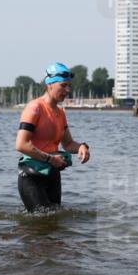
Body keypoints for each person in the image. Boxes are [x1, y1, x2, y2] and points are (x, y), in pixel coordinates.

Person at [14, 62, 91, 212]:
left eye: (69, 86)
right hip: (31, 175)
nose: (67, 90)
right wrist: (50, 159)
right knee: (40, 222)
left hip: (52, 175)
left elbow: (68, 144)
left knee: (53, 222)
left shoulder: (60, 112)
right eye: (63, 86)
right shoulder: (35, 108)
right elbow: (21, 144)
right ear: (50, 84)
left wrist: (82, 146)